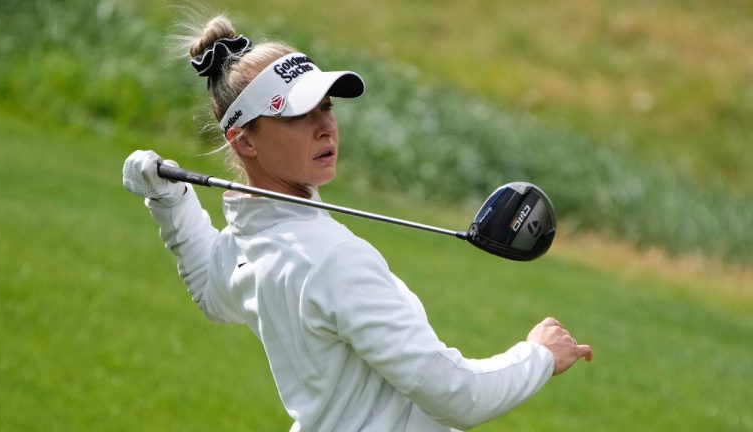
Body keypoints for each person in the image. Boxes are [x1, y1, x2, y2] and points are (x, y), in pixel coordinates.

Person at [122, 15, 592, 432]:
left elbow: (211, 287)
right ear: (244, 141)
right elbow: (456, 395)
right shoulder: (334, 259)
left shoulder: (252, 240)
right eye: (298, 114)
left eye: (326, 106)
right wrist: (538, 355)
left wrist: (171, 201)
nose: (325, 126)